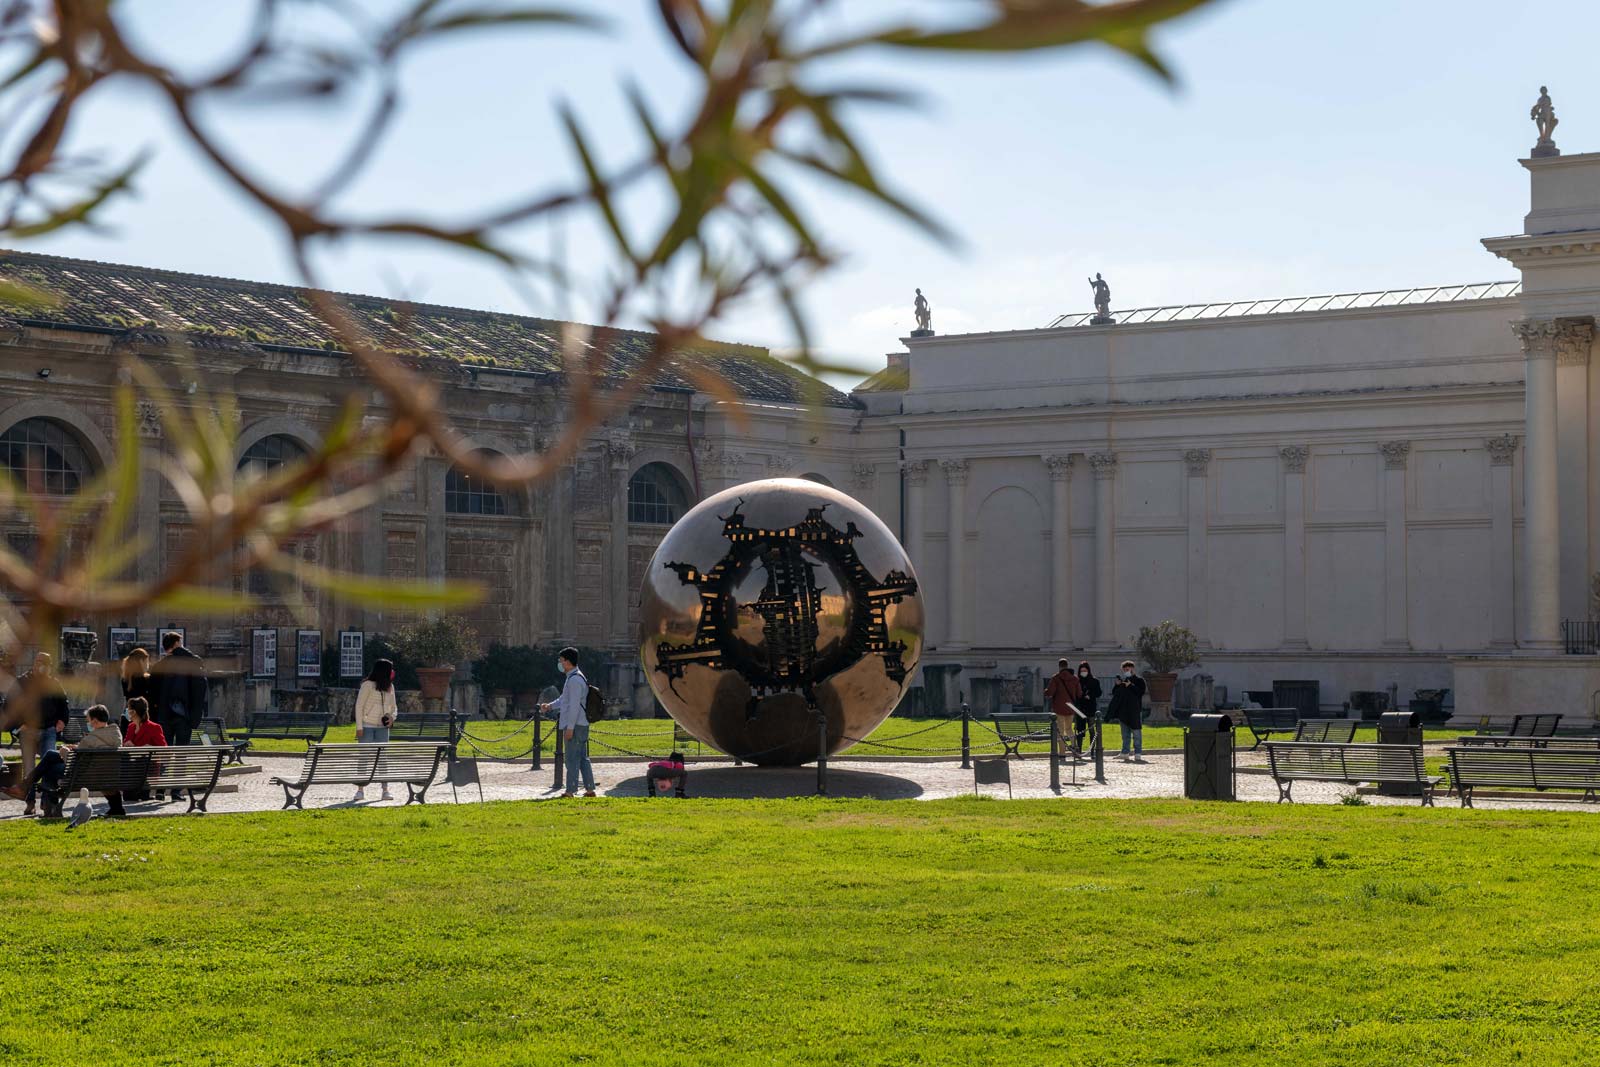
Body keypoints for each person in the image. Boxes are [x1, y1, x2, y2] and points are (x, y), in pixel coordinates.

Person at [8, 652, 69, 817]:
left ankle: (46, 802)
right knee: (28, 767)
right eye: (37, 661)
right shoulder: (22, 682)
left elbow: (63, 703)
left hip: (48, 729)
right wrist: (19, 725)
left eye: (44, 663)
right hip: (28, 731)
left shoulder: (53, 683)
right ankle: (30, 803)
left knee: (48, 766)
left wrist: (63, 720)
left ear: (49, 667)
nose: (40, 665)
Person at [539, 647, 595, 798]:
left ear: (568, 662)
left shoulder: (575, 680)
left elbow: (574, 706)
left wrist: (569, 728)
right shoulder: (574, 677)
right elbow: (565, 699)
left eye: (561, 660)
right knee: (582, 758)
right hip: (579, 724)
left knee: (572, 759)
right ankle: (589, 790)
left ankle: (570, 791)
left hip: (576, 725)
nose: (560, 663)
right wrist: (550, 705)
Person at [353, 659, 399, 802]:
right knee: (364, 758)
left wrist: (392, 718)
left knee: (383, 759)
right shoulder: (367, 685)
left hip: (382, 728)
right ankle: (360, 790)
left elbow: (394, 708)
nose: (393, 672)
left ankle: (385, 790)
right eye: (390, 669)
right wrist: (359, 727)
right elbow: (359, 706)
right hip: (367, 726)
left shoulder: (390, 687)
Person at [152, 632, 207, 750]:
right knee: (182, 753)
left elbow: (153, 692)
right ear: (177, 643)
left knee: (164, 752)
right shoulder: (192, 663)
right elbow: (199, 690)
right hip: (184, 714)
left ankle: (163, 769)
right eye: (181, 643)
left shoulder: (158, 666)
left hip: (163, 714)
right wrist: (195, 716)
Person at [73, 704, 127, 817]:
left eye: (88, 720)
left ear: (95, 721)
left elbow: (76, 760)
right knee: (106, 779)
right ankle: (117, 809)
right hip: (114, 775)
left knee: (51, 758)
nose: (88, 723)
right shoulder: (116, 734)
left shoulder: (89, 740)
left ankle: (29, 783)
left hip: (92, 777)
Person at [121, 696, 166, 802]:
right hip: (133, 768)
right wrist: (127, 744)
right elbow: (125, 744)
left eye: (129, 709)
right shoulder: (131, 727)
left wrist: (150, 747)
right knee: (128, 797)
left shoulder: (154, 727)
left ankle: (143, 792)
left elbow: (164, 748)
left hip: (148, 768)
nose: (127, 711)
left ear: (134, 712)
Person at [1108, 660, 1147, 762]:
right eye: (1124, 669)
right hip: (1123, 711)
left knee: (1136, 733)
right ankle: (1125, 752)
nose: (1126, 671)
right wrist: (1117, 685)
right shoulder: (1122, 680)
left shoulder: (1139, 680)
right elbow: (1115, 693)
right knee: (1125, 734)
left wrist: (1131, 685)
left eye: (1128, 669)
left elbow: (1140, 692)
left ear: (1132, 669)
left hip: (1135, 711)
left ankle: (1138, 753)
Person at [1043, 658, 1083, 756]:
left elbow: (1050, 692)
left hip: (1059, 707)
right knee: (1069, 729)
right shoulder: (1075, 678)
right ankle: (1074, 746)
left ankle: (1062, 753)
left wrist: (1046, 691)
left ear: (1060, 666)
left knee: (1060, 730)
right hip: (1070, 707)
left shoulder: (1056, 678)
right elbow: (1079, 694)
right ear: (1067, 666)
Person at [120, 647, 156, 735]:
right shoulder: (146, 679)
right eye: (146, 661)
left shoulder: (125, 679)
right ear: (141, 661)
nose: (148, 664)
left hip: (130, 715)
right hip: (144, 716)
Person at [1073, 661, 1102, 755]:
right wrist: (1081, 696)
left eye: (1085, 670)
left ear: (1088, 670)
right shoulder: (1076, 681)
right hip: (1080, 708)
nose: (1083, 672)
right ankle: (1079, 750)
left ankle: (1092, 751)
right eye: (1082, 671)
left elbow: (1099, 693)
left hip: (1091, 708)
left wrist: (1090, 695)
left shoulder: (1094, 681)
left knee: (1092, 731)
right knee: (1080, 731)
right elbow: (1074, 694)